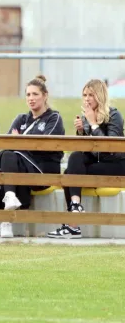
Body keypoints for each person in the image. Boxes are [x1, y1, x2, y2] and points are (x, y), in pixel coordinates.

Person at [48, 79, 125, 239]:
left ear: (100, 96)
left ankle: (73, 225)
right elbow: (85, 151)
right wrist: (82, 131)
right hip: (97, 163)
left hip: (117, 164)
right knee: (73, 162)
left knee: (71, 175)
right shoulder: (86, 116)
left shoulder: (114, 115)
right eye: (84, 95)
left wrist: (92, 123)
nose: (87, 99)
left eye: (91, 95)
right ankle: (75, 207)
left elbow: (111, 149)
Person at [0, 75, 65, 238]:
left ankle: (7, 216)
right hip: (21, 168)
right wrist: (18, 145)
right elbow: (6, 143)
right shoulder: (21, 118)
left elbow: (45, 147)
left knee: (11, 155)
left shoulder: (54, 117)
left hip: (43, 169)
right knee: (7, 155)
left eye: (35, 94)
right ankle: (10, 201)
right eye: (28, 95)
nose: (31, 99)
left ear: (45, 95)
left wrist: (19, 142)